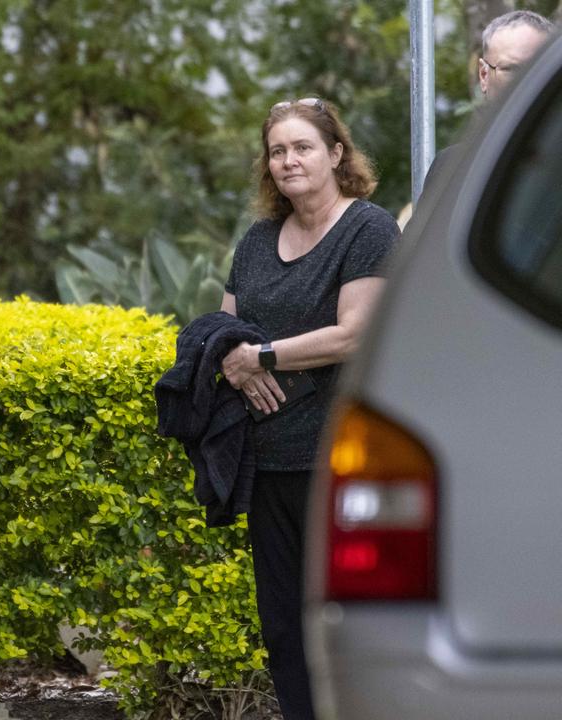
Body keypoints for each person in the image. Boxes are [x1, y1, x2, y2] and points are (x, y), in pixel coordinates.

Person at [219, 98, 398, 720]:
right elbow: (224, 331)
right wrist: (235, 362)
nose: (289, 160)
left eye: (302, 147)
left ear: (336, 154)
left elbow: (355, 334)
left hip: (341, 462)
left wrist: (260, 357)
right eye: (277, 151)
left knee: (348, 630)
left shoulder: (368, 229)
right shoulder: (258, 240)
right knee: (284, 631)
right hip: (267, 462)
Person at [427, 11, 554, 183]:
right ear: (484, 75)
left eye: (534, 68)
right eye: (510, 69)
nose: (524, 81)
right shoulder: (449, 168)